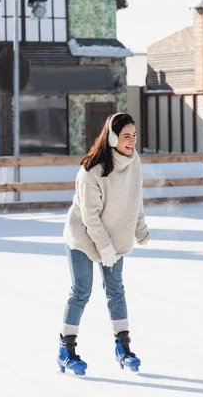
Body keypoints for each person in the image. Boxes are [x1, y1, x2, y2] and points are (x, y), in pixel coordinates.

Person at [59, 113, 150, 376]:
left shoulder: (134, 162)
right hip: (84, 237)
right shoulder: (91, 171)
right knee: (81, 291)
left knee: (116, 291)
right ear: (112, 138)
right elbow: (89, 217)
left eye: (134, 135)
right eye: (126, 136)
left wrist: (140, 229)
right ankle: (66, 350)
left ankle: (123, 348)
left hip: (115, 235)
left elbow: (136, 199)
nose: (132, 141)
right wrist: (105, 247)